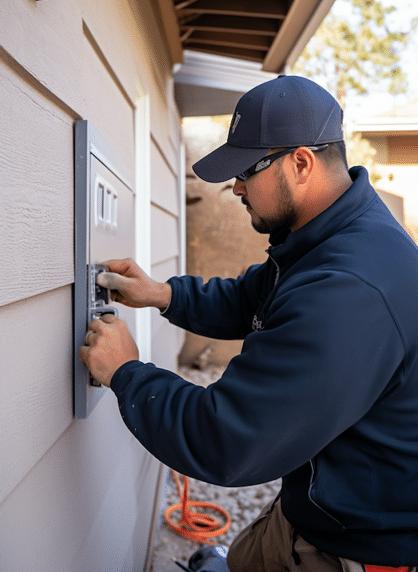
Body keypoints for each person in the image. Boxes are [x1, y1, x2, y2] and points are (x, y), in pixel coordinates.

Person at [79, 75, 418, 572]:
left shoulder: (349, 289)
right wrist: (162, 294)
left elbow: (227, 439)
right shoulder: (327, 235)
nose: (234, 186)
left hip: (354, 549)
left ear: (300, 163)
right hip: (316, 506)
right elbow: (251, 297)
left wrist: (125, 372)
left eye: (246, 169)